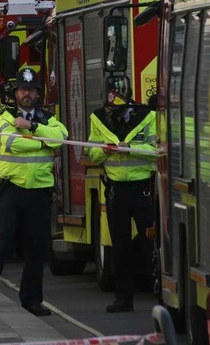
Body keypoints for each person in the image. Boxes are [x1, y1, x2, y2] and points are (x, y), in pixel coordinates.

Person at [0, 67, 68, 317]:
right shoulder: (3, 116)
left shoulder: (48, 118)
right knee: (1, 240)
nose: (27, 94)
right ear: (15, 93)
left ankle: (32, 299)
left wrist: (31, 127)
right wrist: (41, 140)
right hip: (12, 188)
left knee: (37, 247)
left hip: (40, 190)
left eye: (32, 90)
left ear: (38, 94)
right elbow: (10, 142)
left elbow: (61, 139)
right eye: (23, 89)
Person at [86, 89, 157, 313]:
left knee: (150, 245)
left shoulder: (149, 118)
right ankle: (123, 298)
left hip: (143, 187)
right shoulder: (99, 120)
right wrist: (105, 151)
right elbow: (92, 152)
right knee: (120, 246)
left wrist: (130, 148)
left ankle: (159, 295)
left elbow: (157, 150)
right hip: (116, 189)